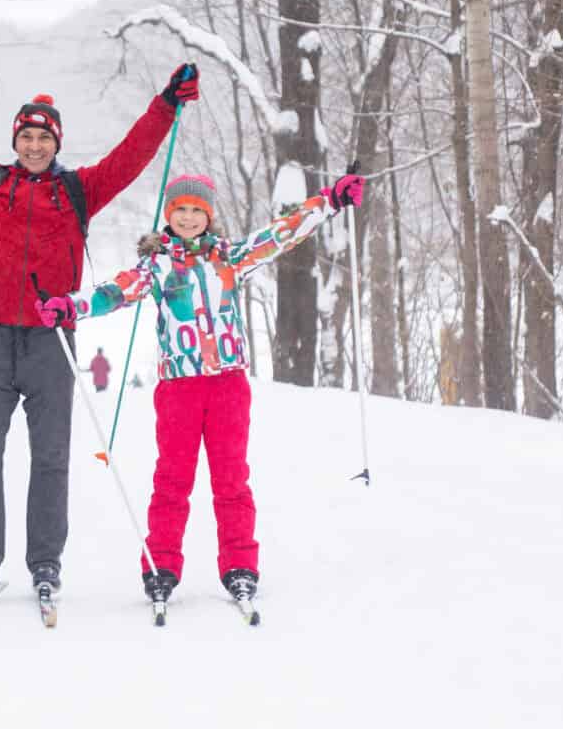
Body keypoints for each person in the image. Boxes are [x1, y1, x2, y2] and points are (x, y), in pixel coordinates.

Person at [0, 30, 198, 601]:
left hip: (53, 343)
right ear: (14, 139)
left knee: (51, 459)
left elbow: (132, 154)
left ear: (56, 143)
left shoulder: (79, 190)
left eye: (42, 138)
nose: (33, 145)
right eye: (25, 136)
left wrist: (166, 104)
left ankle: (45, 563)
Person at [36, 171, 364, 606]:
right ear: (168, 214)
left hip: (227, 385)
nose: (188, 218)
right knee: (172, 481)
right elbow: (117, 291)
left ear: (208, 215)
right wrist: (71, 307)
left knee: (231, 480)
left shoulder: (229, 257)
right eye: (180, 210)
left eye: (196, 210)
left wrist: (329, 200)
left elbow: (279, 236)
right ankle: (163, 567)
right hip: (180, 390)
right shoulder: (157, 265)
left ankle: (240, 566)